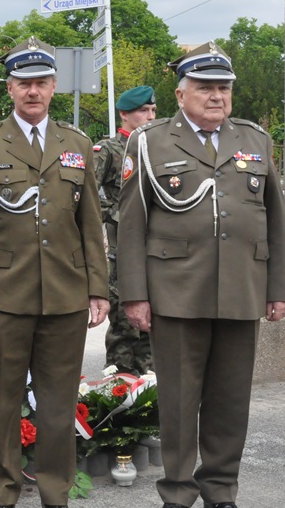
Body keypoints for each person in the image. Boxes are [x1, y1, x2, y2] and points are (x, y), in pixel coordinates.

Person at [118, 42, 285, 508]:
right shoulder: (150, 141)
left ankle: (221, 491)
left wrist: (281, 290)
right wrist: (134, 296)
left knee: (230, 400)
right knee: (178, 403)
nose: (216, 96)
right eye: (205, 88)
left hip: (242, 290)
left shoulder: (255, 140)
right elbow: (131, 225)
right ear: (181, 94)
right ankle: (177, 492)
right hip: (176, 292)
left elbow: (276, 220)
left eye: (223, 88)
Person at [0, 38, 109, 508]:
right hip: (4, 294)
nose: (33, 92)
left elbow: (90, 222)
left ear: (54, 87)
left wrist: (98, 289)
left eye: (42, 83)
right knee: (3, 405)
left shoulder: (77, 144)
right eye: (24, 83)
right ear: (10, 88)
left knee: (57, 406)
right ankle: (3, 494)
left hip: (66, 296)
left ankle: (55, 495)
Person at [92, 85, 157, 375]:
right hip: (121, 251)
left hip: (154, 247)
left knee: (150, 323)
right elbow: (86, 195)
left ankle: (148, 387)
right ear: (124, 115)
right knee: (123, 321)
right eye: (143, 111)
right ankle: (118, 385)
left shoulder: (159, 148)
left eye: (153, 110)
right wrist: (115, 215)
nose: (150, 116)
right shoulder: (110, 149)